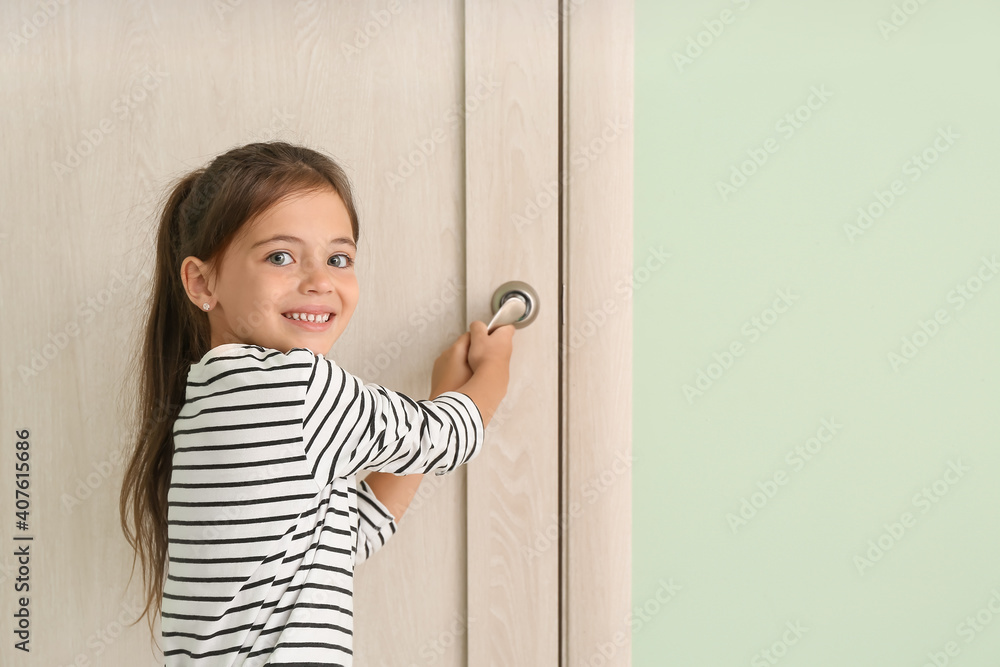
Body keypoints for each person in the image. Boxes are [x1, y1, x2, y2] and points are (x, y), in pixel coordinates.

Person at [118, 141, 515, 666]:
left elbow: (340, 537)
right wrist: (492, 372)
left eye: (338, 258)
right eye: (280, 256)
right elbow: (445, 440)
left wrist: (439, 398)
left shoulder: (206, 403)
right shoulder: (299, 387)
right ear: (201, 280)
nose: (320, 281)